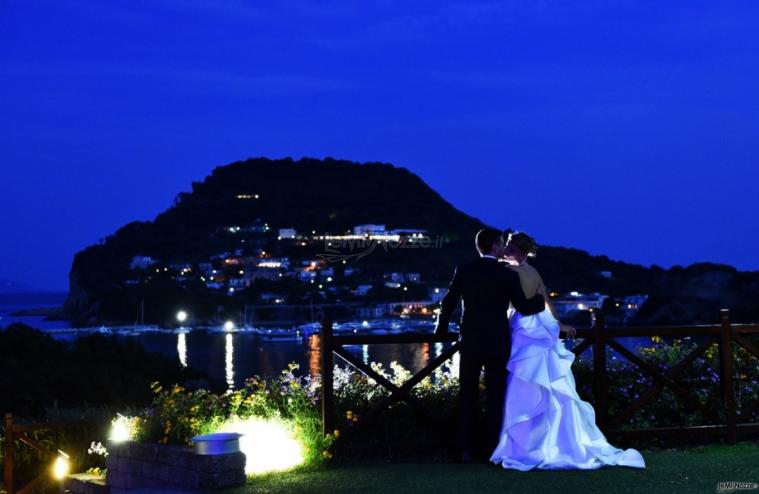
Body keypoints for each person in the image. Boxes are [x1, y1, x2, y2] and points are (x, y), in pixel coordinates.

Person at [490, 231, 645, 470]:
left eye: (510, 247)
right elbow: (546, 301)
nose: (506, 250)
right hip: (541, 324)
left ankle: (526, 445)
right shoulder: (533, 271)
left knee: (525, 381)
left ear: (521, 252)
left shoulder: (508, 272)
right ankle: (552, 441)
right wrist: (558, 324)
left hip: (524, 326)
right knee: (549, 383)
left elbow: (525, 300)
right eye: (507, 247)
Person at [435, 228, 545, 462]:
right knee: (496, 396)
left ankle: (464, 449)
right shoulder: (507, 275)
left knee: (467, 394)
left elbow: (448, 302)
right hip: (497, 342)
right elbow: (524, 307)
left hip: (471, 341)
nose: (504, 247)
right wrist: (539, 301)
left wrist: (441, 330)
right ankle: (491, 449)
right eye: (502, 244)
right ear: (495, 247)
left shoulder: (465, 270)